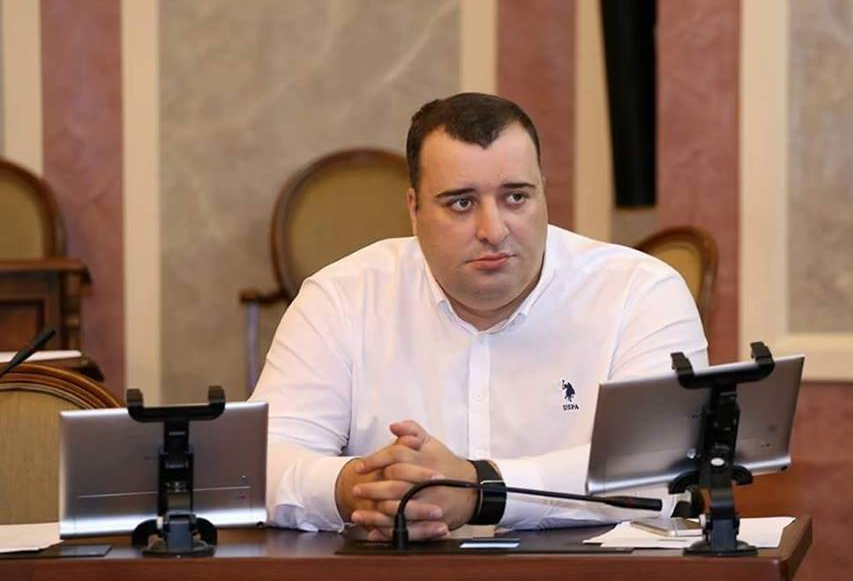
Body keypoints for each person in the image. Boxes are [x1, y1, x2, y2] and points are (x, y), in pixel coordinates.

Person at [250, 92, 708, 541]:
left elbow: (658, 470)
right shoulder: (342, 297)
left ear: (543, 192)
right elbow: (257, 466)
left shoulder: (638, 291)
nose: (493, 230)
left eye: (516, 197)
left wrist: (479, 489)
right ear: (414, 209)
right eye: (462, 203)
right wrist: (357, 487)